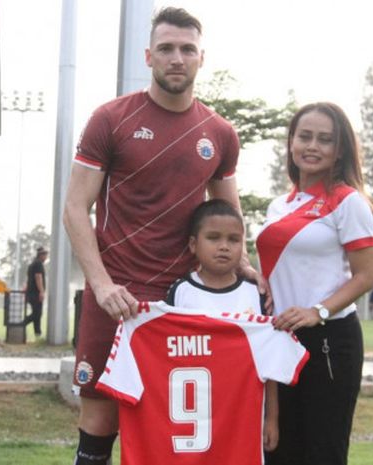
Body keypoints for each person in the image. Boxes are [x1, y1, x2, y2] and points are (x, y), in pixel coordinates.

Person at [62, 8, 263, 465]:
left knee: (169, 424)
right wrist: (101, 284)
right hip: (114, 295)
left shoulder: (219, 133)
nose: (177, 58)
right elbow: (75, 207)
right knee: (99, 420)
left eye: (187, 49)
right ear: (149, 55)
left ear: (201, 58)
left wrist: (246, 266)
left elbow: (229, 212)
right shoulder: (110, 119)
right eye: (167, 49)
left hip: (180, 302)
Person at [256, 102, 373, 465]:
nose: (312, 146)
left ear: (339, 149)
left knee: (323, 453)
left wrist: (317, 311)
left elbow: (365, 276)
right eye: (304, 136)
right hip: (279, 339)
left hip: (328, 341)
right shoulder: (278, 205)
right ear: (291, 142)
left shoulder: (347, 202)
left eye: (325, 139)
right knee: (277, 450)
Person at [165, 199, 278, 452]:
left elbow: (269, 363)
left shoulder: (256, 295)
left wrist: (271, 418)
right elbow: (165, 361)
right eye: (214, 238)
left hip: (245, 413)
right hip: (195, 416)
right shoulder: (180, 293)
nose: (224, 247)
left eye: (233, 240)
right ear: (194, 244)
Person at [23, 246, 49, 338]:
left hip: (31, 292)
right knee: (37, 314)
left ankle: (37, 333)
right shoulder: (38, 264)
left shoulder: (32, 264)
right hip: (35, 293)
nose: (46, 257)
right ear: (41, 255)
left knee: (36, 313)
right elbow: (38, 277)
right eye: (45, 254)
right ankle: (21, 324)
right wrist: (41, 291)